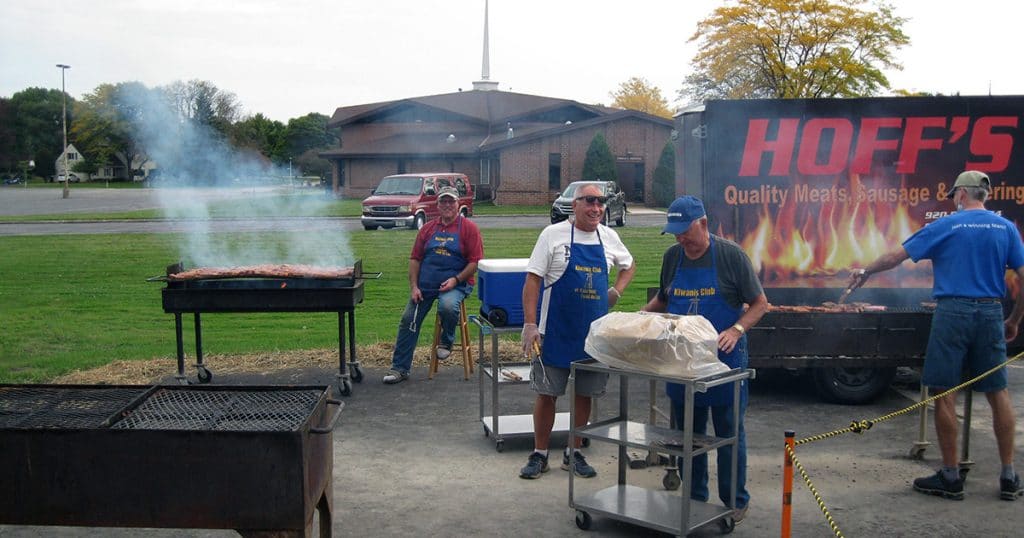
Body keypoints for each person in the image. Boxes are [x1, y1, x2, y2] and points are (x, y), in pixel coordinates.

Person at [846, 170, 1024, 501]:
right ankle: (1009, 475)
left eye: (954, 194)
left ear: (961, 195)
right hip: (989, 312)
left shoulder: (946, 225)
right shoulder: (1006, 228)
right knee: (997, 391)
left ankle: (951, 476)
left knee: (944, 391)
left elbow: (896, 256)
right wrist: (1013, 319)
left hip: (953, 312)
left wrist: (866, 270)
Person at [641, 195, 768, 521]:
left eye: (686, 231)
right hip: (681, 365)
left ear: (704, 224)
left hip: (724, 365)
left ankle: (734, 500)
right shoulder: (673, 258)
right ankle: (695, 499)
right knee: (687, 437)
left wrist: (737, 329)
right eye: (675, 233)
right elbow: (663, 298)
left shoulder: (730, 256)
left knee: (729, 435)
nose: (681, 239)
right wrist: (637, 318)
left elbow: (759, 304)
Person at [518, 183, 636, 479]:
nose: (596, 208)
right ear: (575, 204)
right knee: (547, 394)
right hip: (554, 332)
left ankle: (575, 451)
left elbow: (629, 265)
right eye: (590, 202)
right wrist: (530, 325)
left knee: (584, 394)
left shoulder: (609, 237)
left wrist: (616, 291)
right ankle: (540, 453)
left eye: (600, 203)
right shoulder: (552, 235)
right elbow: (533, 280)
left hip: (593, 337)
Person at [383, 186, 484, 384]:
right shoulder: (428, 229)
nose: (447, 205)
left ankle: (446, 340)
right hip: (425, 286)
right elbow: (415, 259)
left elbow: (475, 262)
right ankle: (400, 369)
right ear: (437, 204)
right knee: (408, 319)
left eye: (451, 201)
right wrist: (414, 286)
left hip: (456, 284)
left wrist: (455, 279)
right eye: (443, 201)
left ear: (458, 204)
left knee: (447, 306)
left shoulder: (469, 229)